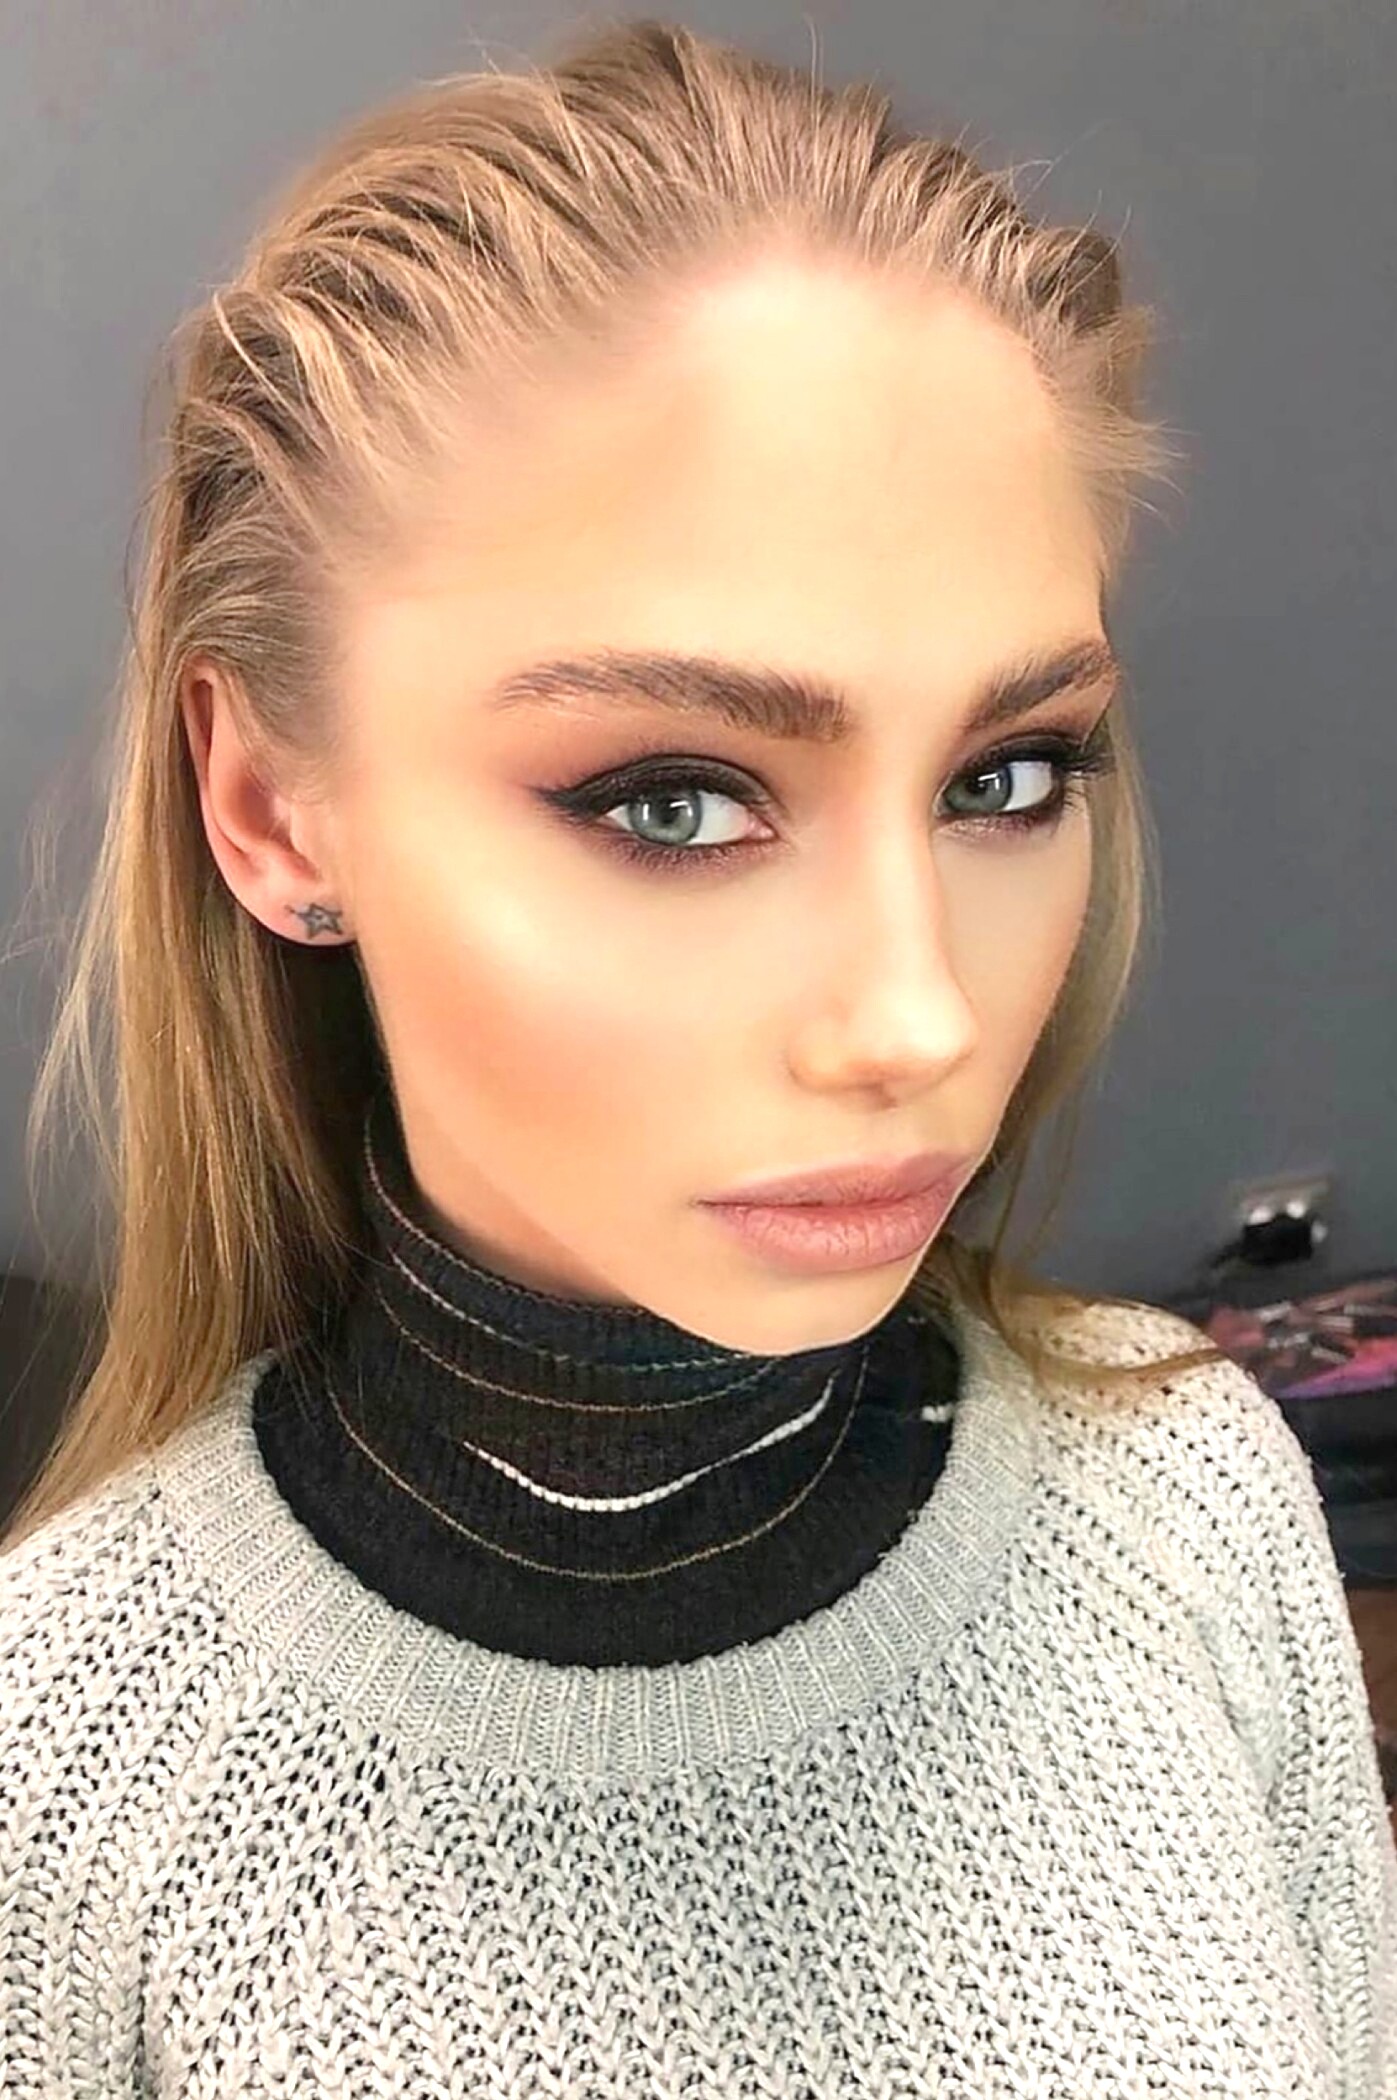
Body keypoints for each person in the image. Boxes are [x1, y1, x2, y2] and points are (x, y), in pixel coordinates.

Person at [2, 16, 1393, 2095]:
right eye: (670, 799)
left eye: (1010, 776)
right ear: (278, 811)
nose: (919, 1016)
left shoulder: (1190, 1503)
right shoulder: (67, 1780)